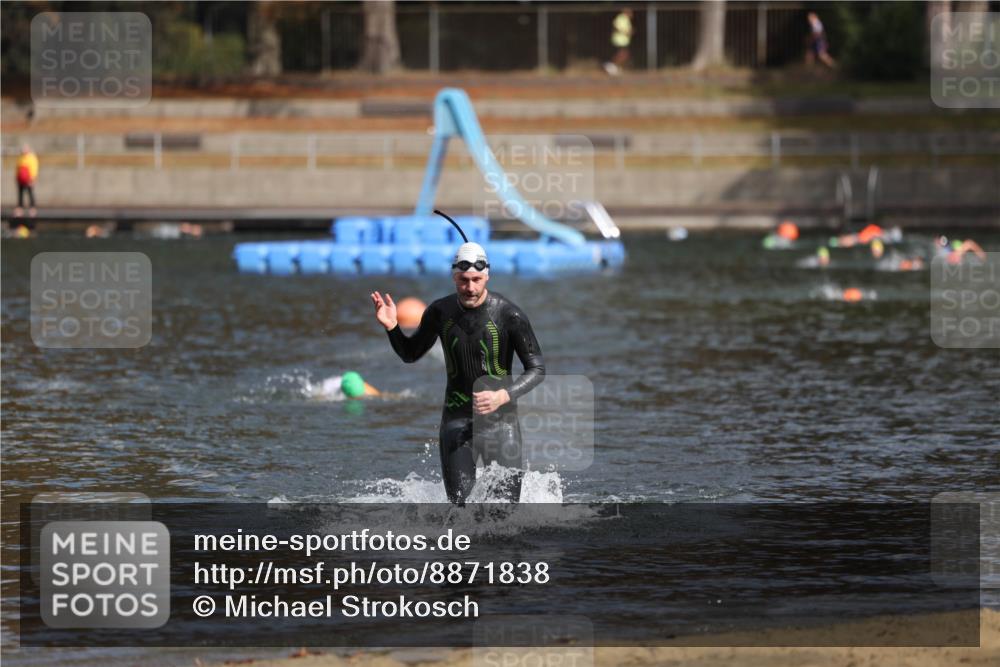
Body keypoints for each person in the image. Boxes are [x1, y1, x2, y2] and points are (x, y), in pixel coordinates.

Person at [371, 242, 545, 505]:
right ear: (454, 276)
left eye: (476, 280)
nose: (470, 288)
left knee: (505, 513)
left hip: (501, 424)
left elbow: (537, 369)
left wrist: (503, 395)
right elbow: (410, 354)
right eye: (464, 280)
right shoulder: (439, 312)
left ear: (487, 276)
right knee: (459, 513)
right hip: (456, 423)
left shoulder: (509, 315)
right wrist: (393, 327)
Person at [604, 8, 633, 75]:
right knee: (622, 54)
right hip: (619, 40)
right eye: (630, 12)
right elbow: (616, 27)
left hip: (624, 40)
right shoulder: (620, 18)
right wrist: (626, 32)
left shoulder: (626, 19)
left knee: (624, 55)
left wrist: (629, 31)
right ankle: (610, 65)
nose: (632, 14)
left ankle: (614, 67)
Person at [14, 144, 38, 218]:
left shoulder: (31, 157)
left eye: (25, 149)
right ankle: (20, 208)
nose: (24, 151)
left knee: (30, 193)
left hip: (29, 179)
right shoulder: (20, 157)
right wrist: (17, 177)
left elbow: (34, 168)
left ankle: (32, 208)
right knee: (20, 194)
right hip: (21, 179)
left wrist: (33, 178)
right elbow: (17, 168)